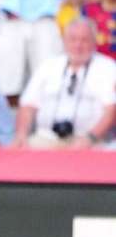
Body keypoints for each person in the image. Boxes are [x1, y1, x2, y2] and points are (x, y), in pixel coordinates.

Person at [13, 18, 116, 148]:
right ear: (64, 41)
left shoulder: (108, 68)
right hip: (47, 138)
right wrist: (21, 134)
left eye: (84, 40)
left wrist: (90, 138)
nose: (78, 45)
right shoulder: (48, 65)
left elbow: (112, 110)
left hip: (91, 141)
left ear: (95, 42)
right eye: (73, 39)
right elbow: (28, 106)